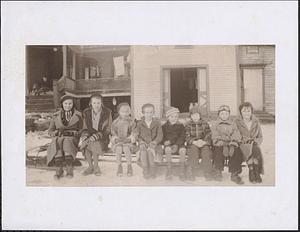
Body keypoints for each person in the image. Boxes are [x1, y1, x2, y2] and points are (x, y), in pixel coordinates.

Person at [47, 95, 82, 179]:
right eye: (65, 103)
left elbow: (82, 129)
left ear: (73, 104)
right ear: (62, 104)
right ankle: (59, 171)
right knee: (58, 147)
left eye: (70, 103)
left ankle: (69, 171)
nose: (67, 105)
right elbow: (50, 131)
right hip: (59, 138)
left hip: (72, 138)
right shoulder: (56, 115)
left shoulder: (78, 115)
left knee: (67, 142)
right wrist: (56, 133)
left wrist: (74, 133)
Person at [79, 93, 112, 176]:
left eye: (98, 103)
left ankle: (96, 167)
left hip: (102, 138)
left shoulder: (107, 112)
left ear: (101, 103)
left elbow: (108, 129)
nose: (96, 105)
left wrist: (97, 136)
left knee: (94, 143)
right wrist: (85, 135)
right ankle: (90, 167)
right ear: (91, 103)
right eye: (94, 103)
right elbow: (84, 127)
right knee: (86, 145)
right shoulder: (86, 112)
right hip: (89, 137)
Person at [211, 105, 244, 185]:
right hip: (220, 143)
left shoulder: (233, 124)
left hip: (231, 143)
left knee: (236, 151)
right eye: (222, 114)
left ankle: (234, 173)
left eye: (226, 114)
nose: (224, 116)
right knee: (218, 151)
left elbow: (236, 134)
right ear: (219, 115)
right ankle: (218, 171)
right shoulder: (216, 124)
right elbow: (215, 135)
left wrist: (233, 142)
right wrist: (221, 142)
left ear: (229, 114)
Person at [235, 102, 264, 183]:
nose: (246, 113)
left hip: (253, 144)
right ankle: (252, 170)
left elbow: (260, 137)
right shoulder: (237, 122)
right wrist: (245, 140)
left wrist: (255, 141)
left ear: (251, 112)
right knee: (252, 148)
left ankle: (255, 171)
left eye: (248, 111)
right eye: (244, 111)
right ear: (241, 112)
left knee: (255, 148)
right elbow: (235, 134)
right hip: (242, 145)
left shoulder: (256, 122)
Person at [185, 105, 214, 181]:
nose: (195, 117)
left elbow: (209, 135)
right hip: (193, 143)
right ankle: (191, 171)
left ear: (200, 115)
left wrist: (204, 142)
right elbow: (186, 136)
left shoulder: (205, 124)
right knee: (193, 151)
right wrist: (194, 142)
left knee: (206, 152)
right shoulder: (188, 125)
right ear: (190, 116)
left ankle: (207, 172)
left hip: (203, 142)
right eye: (193, 115)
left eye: (197, 115)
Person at [135, 103, 163, 179]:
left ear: (153, 113)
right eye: (147, 112)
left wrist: (154, 142)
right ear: (143, 113)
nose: (149, 114)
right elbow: (137, 135)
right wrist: (141, 142)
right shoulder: (139, 124)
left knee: (150, 151)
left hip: (154, 144)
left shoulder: (157, 123)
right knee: (143, 151)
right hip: (143, 144)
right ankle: (145, 170)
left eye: (151, 112)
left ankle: (152, 170)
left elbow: (160, 135)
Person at [110, 103, 136, 177]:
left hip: (127, 141)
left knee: (126, 149)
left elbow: (134, 132)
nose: (125, 113)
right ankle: (119, 166)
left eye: (127, 111)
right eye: (123, 112)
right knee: (118, 149)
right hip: (118, 141)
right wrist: (115, 138)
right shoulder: (115, 122)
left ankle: (129, 166)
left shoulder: (131, 122)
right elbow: (113, 132)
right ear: (119, 112)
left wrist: (130, 138)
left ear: (130, 112)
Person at [161, 107, 186, 180]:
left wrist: (177, 144)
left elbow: (182, 136)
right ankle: (169, 170)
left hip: (179, 144)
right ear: (168, 117)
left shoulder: (181, 126)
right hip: (169, 145)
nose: (174, 118)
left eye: (176, 116)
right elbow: (162, 136)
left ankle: (182, 171)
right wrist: (164, 141)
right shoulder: (164, 127)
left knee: (183, 151)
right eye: (171, 116)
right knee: (167, 150)